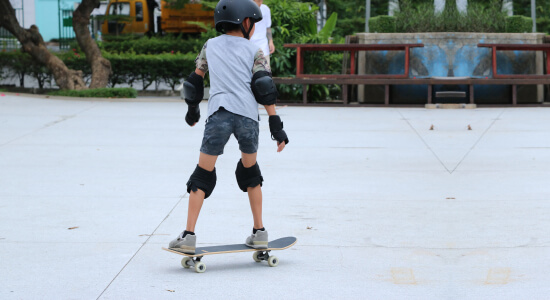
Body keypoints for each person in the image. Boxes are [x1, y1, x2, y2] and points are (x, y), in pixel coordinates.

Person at [168, 0, 289, 254]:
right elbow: (264, 87)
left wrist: (193, 111)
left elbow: (194, 81)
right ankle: (260, 232)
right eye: (252, 23)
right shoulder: (255, 51)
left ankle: (188, 235)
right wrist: (276, 125)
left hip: (219, 114)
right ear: (245, 22)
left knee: (202, 175)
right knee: (251, 173)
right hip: (247, 116)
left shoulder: (209, 46)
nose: (254, 28)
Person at [250, 0, 275, 66]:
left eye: (261, 1)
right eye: (258, 1)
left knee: (265, 71)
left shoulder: (265, 9)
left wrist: (271, 41)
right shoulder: (246, 9)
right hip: (249, 45)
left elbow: (268, 27)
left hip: (262, 45)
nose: (260, 3)